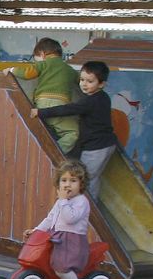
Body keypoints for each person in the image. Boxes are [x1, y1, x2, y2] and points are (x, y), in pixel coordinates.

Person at [37, 60, 115, 193]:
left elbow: (69, 109)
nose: (84, 84)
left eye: (90, 81)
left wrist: (41, 112)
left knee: (85, 179)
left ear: (101, 84)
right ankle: (91, 206)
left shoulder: (90, 101)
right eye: (82, 79)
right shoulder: (103, 97)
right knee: (93, 178)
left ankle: (86, 208)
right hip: (107, 144)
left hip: (95, 147)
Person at [27, 160, 93, 279]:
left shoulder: (81, 201)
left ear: (81, 184)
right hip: (57, 237)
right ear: (58, 184)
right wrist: (37, 230)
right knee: (46, 261)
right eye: (64, 180)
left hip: (71, 241)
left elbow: (70, 218)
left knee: (61, 268)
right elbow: (50, 219)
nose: (67, 185)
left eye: (73, 181)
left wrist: (63, 201)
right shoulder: (60, 202)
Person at [8, 37, 82, 154]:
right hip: (59, 106)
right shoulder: (69, 70)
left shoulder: (43, 64)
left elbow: (27, 73)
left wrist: (11, 69)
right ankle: (55, 154)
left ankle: (48, 153)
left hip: (41, 105)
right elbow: (81, 83)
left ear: (42, 54)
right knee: (72, 133)